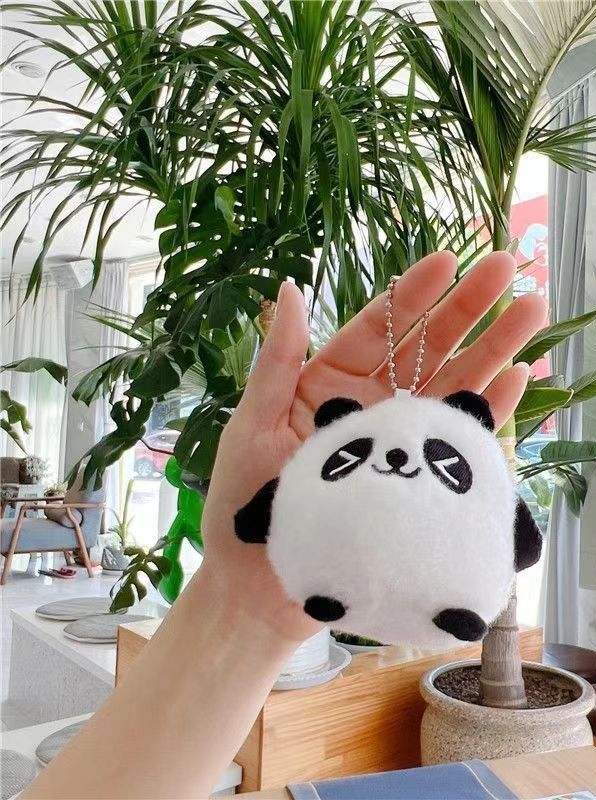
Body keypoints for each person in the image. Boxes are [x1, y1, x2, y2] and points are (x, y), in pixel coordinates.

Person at [23, 250, 547, 799]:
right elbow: (271, 507)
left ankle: (448, 610)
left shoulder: (429, 452)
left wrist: (241, 606)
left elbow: (515, 531)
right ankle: (353, 599)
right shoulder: (342, 454)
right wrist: (242, 594)